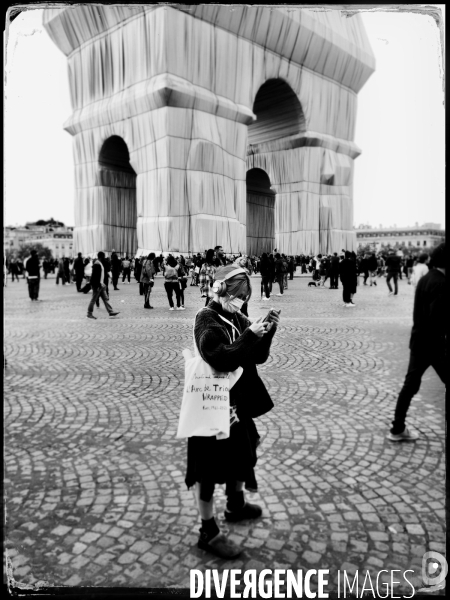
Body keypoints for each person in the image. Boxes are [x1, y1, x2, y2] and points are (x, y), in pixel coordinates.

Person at [187, 264, 280, 558]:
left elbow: (257, 356)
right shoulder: (206, 319)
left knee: (247, 447)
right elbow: (220, 358)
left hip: (237, 404)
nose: (241, 301)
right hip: (211, 405)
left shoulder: (236, 316)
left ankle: (235, 504)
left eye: (245, 297)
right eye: (238, 295)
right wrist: (250, 335)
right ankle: (208, 531)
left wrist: (267, 330)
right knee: (207, 469)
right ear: (220, 290)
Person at [389, 243, 445, 441]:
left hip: (419, 340)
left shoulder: (426, 279)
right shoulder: (442, 283)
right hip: (436, 344)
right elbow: (437, 318)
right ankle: (397, 429)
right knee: (410, 385)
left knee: (410, 385)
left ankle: (397, 428)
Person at [87, 252, 120, 319]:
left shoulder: (99, 263)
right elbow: (94, 276)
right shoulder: (97, 264)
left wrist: (102, 283)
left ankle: (110, 312)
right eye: (103, 256)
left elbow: (99, 275)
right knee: (93, 299)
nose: (104, 257)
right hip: (98, 285)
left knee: (105, 299)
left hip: (100, 285)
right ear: (101, 256)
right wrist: (98, 285)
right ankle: (89, 313)